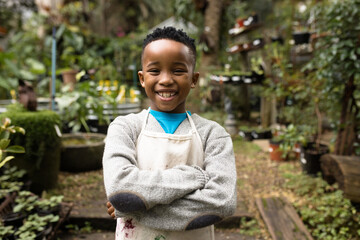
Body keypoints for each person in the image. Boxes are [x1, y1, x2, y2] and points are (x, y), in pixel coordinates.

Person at [103, 26, 237, 240]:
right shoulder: (124, 128)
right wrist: (193, 176)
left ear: (194, 79)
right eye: (155, 71)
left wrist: (134, 208)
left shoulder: (213, 134)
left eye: (178, 70)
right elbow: (121, 188)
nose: (165, 79)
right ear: (142, 78)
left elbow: (222, 202)